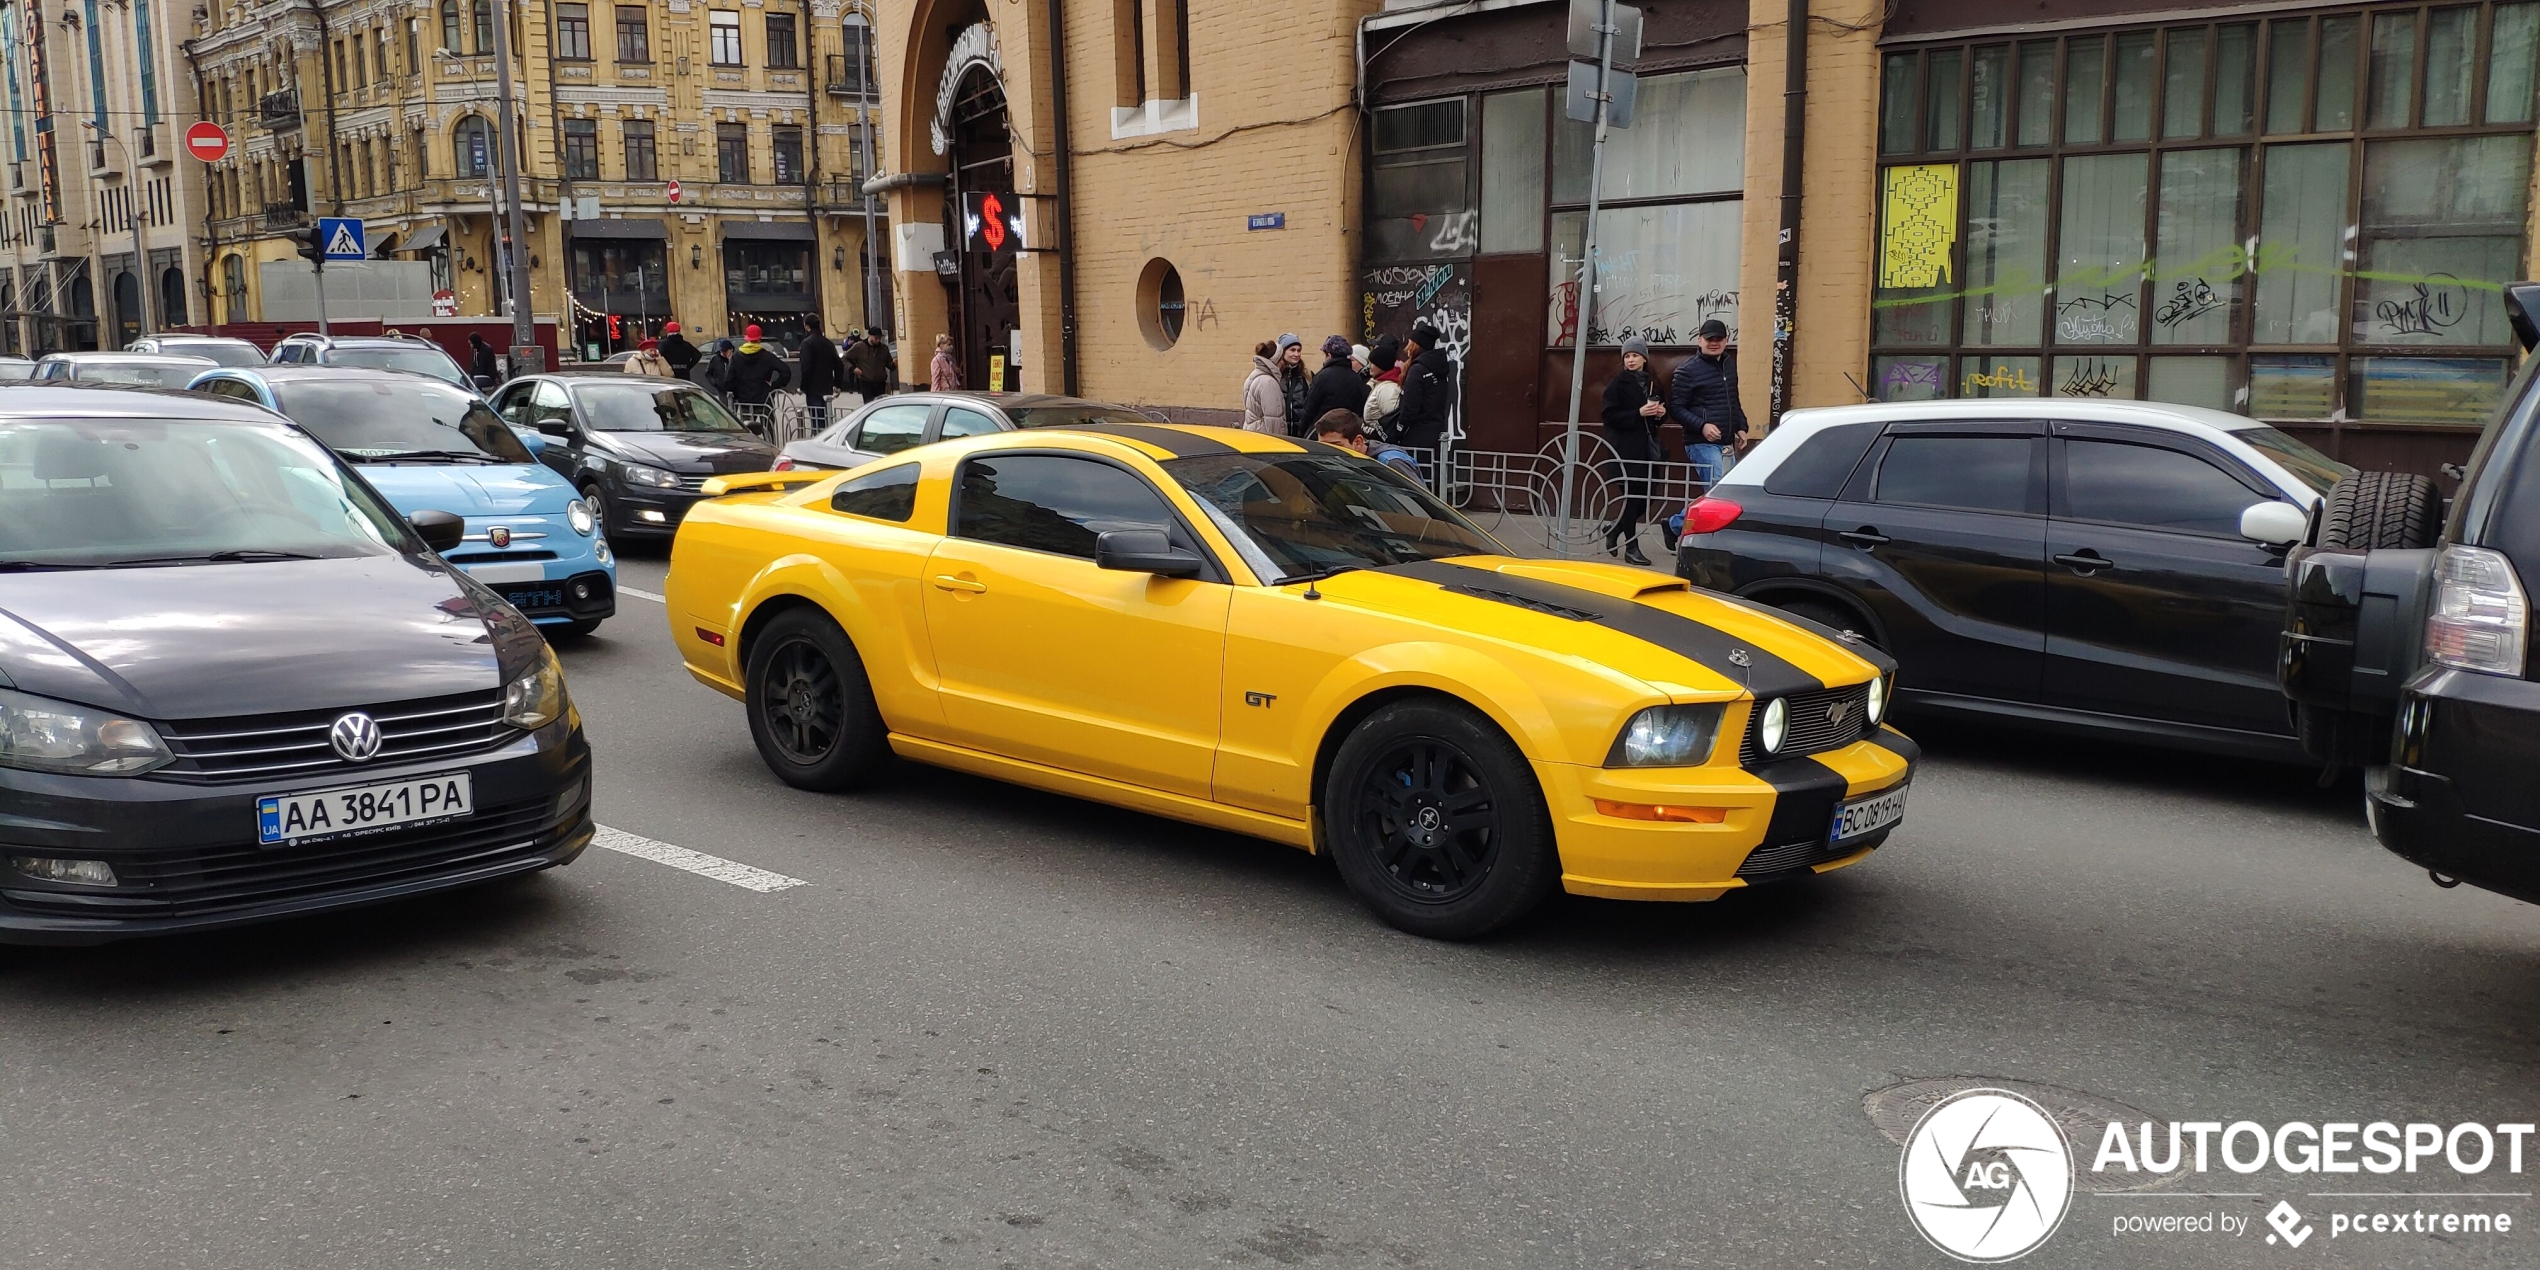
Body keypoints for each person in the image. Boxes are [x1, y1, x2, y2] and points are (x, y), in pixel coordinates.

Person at [1599, 336, 1669, 566]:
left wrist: (1660, 414)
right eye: (1627, 356)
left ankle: (1614, 530)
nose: (1631, 360)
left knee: (1648, 497)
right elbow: (1608, 416)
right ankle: (1631, 547)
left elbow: (1659, 417)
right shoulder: (1617, 384)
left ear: (1644, 358)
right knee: (1633, 497)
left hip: (1648, 449)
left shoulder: (1653, 382)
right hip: (1624, 450)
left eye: (1635, 355)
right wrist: (1638, 413)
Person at [1668, 318, 1747, 484]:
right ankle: (1684, 512)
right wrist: (1702, 426)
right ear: (1699, 340)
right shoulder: (1686, 370)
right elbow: (1675, 408)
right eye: (1709, 339)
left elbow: (1733, 398)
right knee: (1716, 491)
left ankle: (1686, 512)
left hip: (1726, 442)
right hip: (1701, 443)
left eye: (1718, 339)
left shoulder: (1729, 364)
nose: (1714, 343)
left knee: (1724, 492)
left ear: (1726, 340)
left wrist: (1741, 426)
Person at [1394, 322, 1455, 459]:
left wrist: (1399, 430)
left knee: (1414, 476)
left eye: (1410, 343)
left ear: (1416, 345)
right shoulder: (1439, 368)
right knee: (1431, 477)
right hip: (1435, 433)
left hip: (1415, 437)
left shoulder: (1417, 370)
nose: (1407, 348)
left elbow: (1410, 407)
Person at [1313, 409, 1423, 482]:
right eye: (1322, 446)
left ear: (1358, 442)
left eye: (1336, 446)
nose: (1327, 452)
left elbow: (1424, 504)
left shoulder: (1391, 463)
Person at [1303, 334, 1369, 426]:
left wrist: (1302, 431)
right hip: (1347, 430)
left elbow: (1310, 408)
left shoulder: (1322, 376)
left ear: (1329, 355)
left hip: (1324, 430)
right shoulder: (1357, 378)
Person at [725, 324, 792, 408]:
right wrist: (774, 386)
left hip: (745, 402)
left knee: (747, 421)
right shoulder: (767, 356)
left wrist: (737, 394)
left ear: (747, 339)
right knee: (767, 421)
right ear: (759, 339)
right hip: (765, 400)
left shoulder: (736, 357)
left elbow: (728, 381)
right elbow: (786, 372)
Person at [794, 314, 845, 426]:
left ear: (807, 326)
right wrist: (837, 384)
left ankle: (818, 439)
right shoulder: (828, 343)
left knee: (817, 421)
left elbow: (806, 367)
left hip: (813, 389)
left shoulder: (807, 343)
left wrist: (803, 387)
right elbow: (839, 365)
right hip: (827, 386)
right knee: (826, 418)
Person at [1362, 336, 1405, 441]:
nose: (1369, 367)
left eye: (1373, 363)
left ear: (1382, 365)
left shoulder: (1388, 388)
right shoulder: (1379, 383)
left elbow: (1391, 420)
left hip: (1381, 442)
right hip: (1376, 440)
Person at [1241, 339, 1286, 434]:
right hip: (1264, 438)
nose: (1283, 362)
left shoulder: (1252, 377)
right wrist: (1279, 444)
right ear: (1276, 360)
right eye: (1281, 358)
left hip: (1251, 434)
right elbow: (1273, 421)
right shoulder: (1269, 383)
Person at [1274, 333, 1311, 435]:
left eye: (1299, 350)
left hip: (1300, 433)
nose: (1297, 354)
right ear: (1282, 351)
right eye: (1292, 350)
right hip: (1280, 432)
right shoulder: (1275, 374)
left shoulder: (1307, 375)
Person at [845, 327, 893, 401]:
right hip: (866, 382)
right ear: (869, 336)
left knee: (880, 404)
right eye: (876, 338)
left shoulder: (884, 348)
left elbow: (889, 365)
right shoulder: (859, 347)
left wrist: (894, 364)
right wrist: (853, 368)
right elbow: (844, 359)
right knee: (869, 404)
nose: (878, 340)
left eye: (879, 338)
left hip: (880, 382)